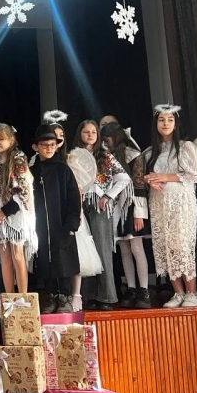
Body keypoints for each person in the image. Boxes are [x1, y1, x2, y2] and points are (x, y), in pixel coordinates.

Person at [144, 105, 197, 308]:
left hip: (181, 203)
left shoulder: (186, 147)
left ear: (176, 123)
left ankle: (192, 293)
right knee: (166, 246)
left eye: (170, 120)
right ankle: (178, 292)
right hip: (159, 204)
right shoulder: (150, 152)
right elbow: (144, 176)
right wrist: (150, 180)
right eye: (161, 120)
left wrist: (167, 177)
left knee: (182, 245)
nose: (166, 123)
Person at [74, 120, 131, 310]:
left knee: (102, 250)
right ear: (79, 134)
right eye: (86, 132)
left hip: (99, 206)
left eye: (93, 132)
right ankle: (88, 296)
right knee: (85, 249)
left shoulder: (105, 155)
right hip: (80, 205)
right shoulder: (73, 155)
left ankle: (106, 297)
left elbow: (124, 178)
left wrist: (108, 196)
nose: (90, 135)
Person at [31, 125, 81, 313]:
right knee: (45, 259)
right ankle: (51, 296)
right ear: (36, 147)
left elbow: (74, 199)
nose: (49, 148)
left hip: (62, 223)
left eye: (52, 145)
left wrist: (72, 225)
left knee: (64, 259)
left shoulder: (63, 170)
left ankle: (65, 297)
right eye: (44, 145)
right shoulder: (32, 172)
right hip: (40, 225)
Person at [101, 123, 152, 309]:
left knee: (136, 247)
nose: (105, 144)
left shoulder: (133, 154)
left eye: (106, 140)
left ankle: (144, 289)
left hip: (132, 206)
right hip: (116, 207)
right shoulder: (107, 157)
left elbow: (139, 185)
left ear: (115, 137)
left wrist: (139, 214)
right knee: (124, 248)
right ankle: (131, 288)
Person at [0, 123, 36, 294]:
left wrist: (5, 212)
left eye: (1, 139)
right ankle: (10, 298)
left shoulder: (18, 159)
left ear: (11, 140)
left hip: (15, 214)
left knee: (17, 255)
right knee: (5, 258)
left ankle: (23, 297)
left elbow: (23, 189)